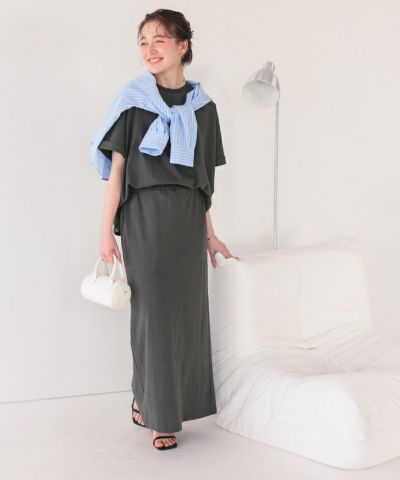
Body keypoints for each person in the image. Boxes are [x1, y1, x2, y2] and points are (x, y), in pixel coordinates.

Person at [94, 9, 239, 450]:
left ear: (182, 46)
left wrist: (210, 235)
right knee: (153, 317)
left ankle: (162, 401)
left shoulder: (204, 109)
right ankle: (159, 416)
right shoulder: (133, 102)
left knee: (188, 317)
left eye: (159, 39)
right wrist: (105, 232)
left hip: (188, 219)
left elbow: (202, 182)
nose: (149, 49)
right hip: (145, 217)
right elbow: (118, 174)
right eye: (143, 41)